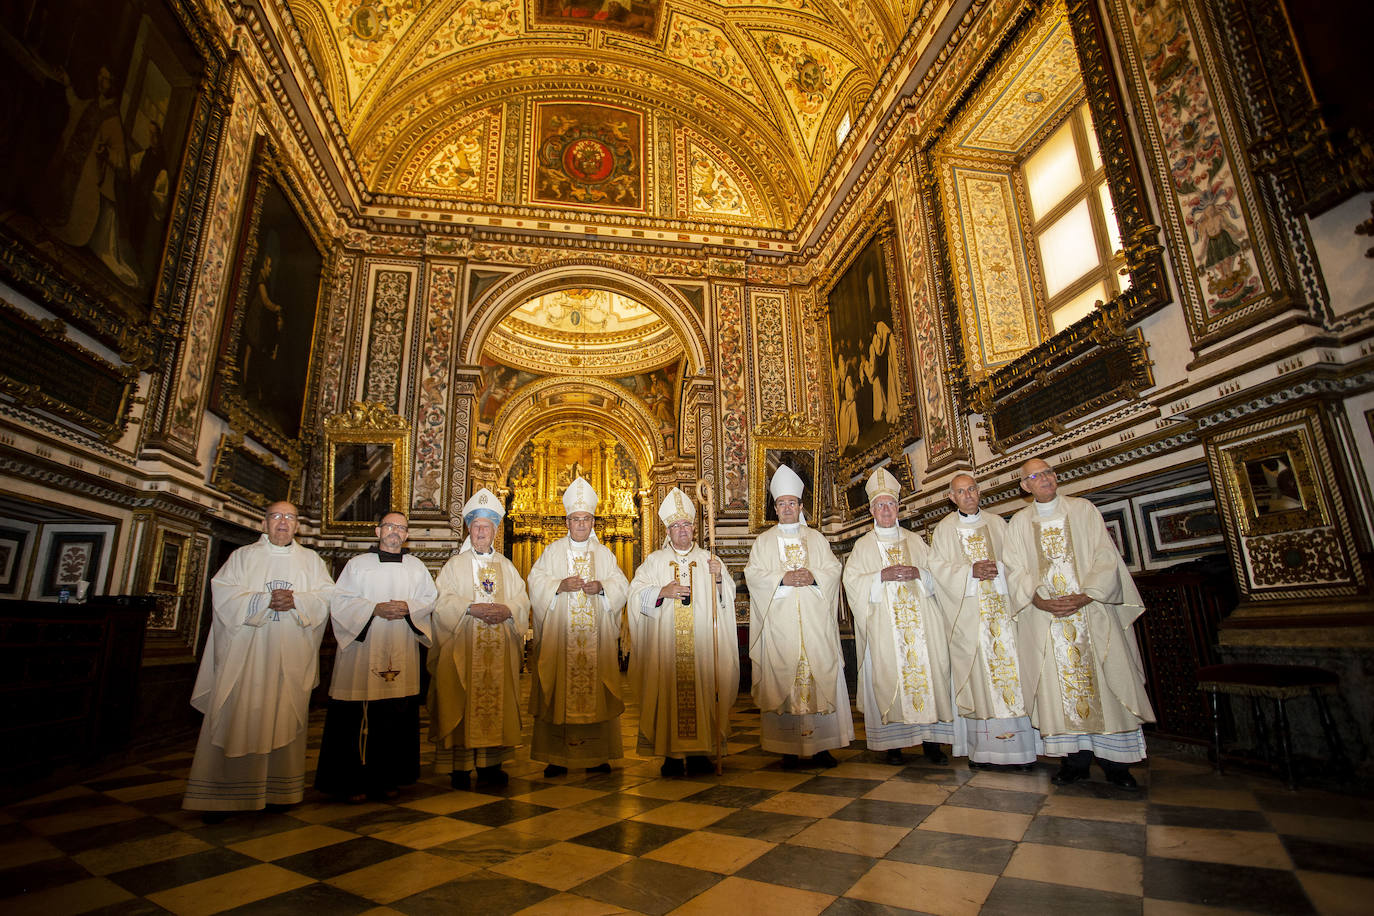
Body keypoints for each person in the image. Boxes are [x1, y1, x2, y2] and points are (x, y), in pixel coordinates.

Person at [1003, 458, 1156, 789]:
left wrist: (1087, 595)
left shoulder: (1083, 510)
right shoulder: (1018, 523)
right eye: (1035, 476)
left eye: (1048, 472)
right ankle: (1074, 761)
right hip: (1047, 622)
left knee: (1108, 684)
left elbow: (1105, 557)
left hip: (1089, 614)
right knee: (1058, 691)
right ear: (1025, 487)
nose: (1045, 478)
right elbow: (1014, 569)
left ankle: (1116, 764)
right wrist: (1037, 599)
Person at [183, 502, 334, 818]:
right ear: (263, 523)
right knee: (238, 712)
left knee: (283, 713)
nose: (283, 522)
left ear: (297, 526)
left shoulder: (311, 561)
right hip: (247, 655)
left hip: (289, 653)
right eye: (277, 517)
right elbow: (223, 596)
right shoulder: (243, 558)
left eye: (290, 517)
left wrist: (297, 601)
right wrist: (263, 600)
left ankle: (281, 791)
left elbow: (325, 599)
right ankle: (222, 794)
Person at [316, 512, 435, 802]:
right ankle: (350, 780)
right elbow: (341, 601)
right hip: (362, 648)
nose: (395, 532)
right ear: (377, 530)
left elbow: (430, 598)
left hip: (399, 643)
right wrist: (373, 609)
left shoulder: (416, 567)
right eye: (390, 526)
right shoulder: (357, 566)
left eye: (401, 528)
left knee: (393, 716)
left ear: (407, 535)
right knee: (355, 717)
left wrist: (408, 607)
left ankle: (388, 777)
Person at [744, 465, 853, 769]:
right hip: (780, 627)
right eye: (782, 503)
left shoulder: (816, 539)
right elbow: (753, 575)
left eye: (793, 503)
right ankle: (789, 747)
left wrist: (814, 575)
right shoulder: (764, 542)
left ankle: (823, 746)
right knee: (786, 678)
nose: (787, 508)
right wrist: (781, 579)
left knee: (820, 677)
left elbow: (833, 570)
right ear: (775, 507)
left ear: (801, 507)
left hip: (815, 627)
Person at [842, 467, 952, 765]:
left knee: (927, 677)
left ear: (898, 507)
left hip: (921, 630)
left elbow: (939, 576)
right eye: (880, 505)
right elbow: (851, 583)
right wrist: (879, 576)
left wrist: (920, 573)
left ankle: (932, 743)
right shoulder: (863, 546)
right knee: (889, 677)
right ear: (871, 511)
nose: (886, 510)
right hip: (884, 629)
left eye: (890, 504)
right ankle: (894, 745)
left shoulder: (916, 541)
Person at [930, 474, 1041, 771]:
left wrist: (999, 568)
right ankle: (984, 752)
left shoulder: (998, 524)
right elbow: (938, 571)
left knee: (1014, 676)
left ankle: (1021, 751)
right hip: (969, 621)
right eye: (960, 492)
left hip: (1004, 616)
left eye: (972, 489)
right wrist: (970, 572)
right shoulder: (944, 530)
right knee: (980, 680)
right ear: (951, 498)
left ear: (979, 492)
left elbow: (1019, 564)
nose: (968, 495)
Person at [627, 487, 739, 776]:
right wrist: (661, 591)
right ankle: (672, 756)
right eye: (675, 526)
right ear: (668, 530)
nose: (682, 531)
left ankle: (702, 752)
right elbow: (635, 594)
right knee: (669, 691)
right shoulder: (655, 561)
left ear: (693, 527)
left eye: (686, 525)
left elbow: (727, 599)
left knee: (703, 689)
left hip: (701, 645)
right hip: (667, 648)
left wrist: (719, 580)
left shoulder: (708, 559)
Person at [527, 476, 630, 777]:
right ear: (567, 521)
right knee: (558, 687)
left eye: (586, 519)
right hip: (562, 640)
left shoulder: (604, 554)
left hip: (595, 643)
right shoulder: (553, 552)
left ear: (592, 521)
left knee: (596, 689)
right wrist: (558, 585)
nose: (581, 524)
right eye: (575, 519)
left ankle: (597, 756)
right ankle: (556, 757)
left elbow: (621, 584)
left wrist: (602, 586)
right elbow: (535, 582)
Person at [429, 489, 531, 789]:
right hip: (461, 646)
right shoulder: (454, 566)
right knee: (458, 696)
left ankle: (490, 764)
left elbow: (522, 601)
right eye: (476, 527)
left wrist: (509, 609)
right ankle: (458, 767)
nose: (481, 532)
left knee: (495, 701)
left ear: (495, 532)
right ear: (469, 530)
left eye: (487, 527)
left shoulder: (507, 567)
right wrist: (469, 608)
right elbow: (441, 601)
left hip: (498, 649)